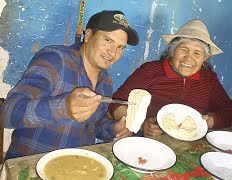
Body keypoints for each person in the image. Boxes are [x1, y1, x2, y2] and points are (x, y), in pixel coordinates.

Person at [0, 10, 138, 159]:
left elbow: (95, 126)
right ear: (89, 35)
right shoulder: (55, 59)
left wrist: (114, 128)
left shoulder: (105, 81)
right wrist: (64, 107)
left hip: (78, 164)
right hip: (32, 166)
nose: (113, 52)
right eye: (108, 41)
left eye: (120, 47)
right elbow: (8, 113)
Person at [108, 19, 232, 136]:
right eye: (184, 49)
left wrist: (210, 121)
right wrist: (141, 124)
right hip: (150, 141)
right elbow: (115, 104)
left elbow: (229, 112)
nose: (188, 58)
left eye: (197, 53)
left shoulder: (209, 79)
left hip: (191, 145)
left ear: (204, 59)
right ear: (172, 51)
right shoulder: (150, 71)